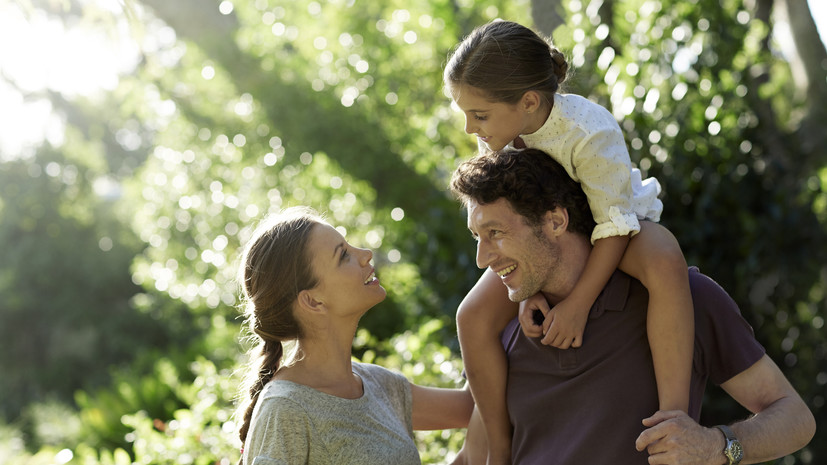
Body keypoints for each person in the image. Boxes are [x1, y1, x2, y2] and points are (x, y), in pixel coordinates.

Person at [449, 147, 816, 464]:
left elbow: (794, 418)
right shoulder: (505, 331)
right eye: (477, 237)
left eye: (495, 233)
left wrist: (715, 446)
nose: (481, 258)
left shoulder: (684, 298)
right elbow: (475, 456)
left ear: (556, 221)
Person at [443, 19, 695, 462]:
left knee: (663, 256)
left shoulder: (589, 131)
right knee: (472, 316)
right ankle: (499, 448)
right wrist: (528, 290)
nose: (469, 129)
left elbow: (614, 227)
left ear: (528, 101)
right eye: (464, 113)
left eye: (478, 115)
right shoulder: (498, 137)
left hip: (613, 223)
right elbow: (522, 232)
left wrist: (577, 306)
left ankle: (673, 421)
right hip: (553, 237)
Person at [235, 207, 474, 465]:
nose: (365, 255)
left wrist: (512, 273)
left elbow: (476, 407)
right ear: (313, 301)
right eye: (343, 255)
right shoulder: (285, 409)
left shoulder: (379, 385)